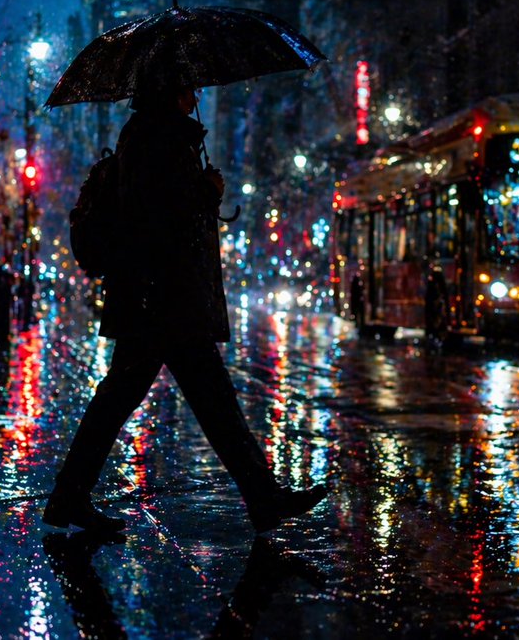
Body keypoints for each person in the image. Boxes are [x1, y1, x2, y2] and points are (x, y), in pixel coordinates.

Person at [44, 81, 327, 534]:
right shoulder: (159, 138)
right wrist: (207, 191)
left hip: (157, 298)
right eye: (188, 86)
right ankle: (262, 497)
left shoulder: (154, 135)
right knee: (193, 401)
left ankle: (70, 498)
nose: (195, 95)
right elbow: (160, 218)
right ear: (170, 90)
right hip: (162, 299)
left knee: (181, 401)